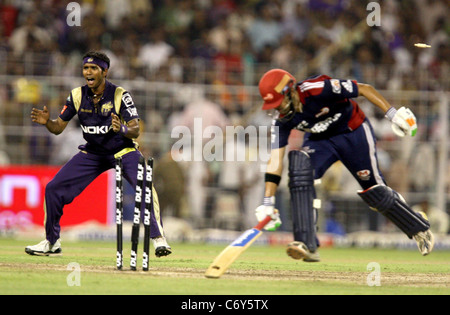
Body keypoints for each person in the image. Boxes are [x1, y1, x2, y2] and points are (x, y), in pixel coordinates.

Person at [255, 69, 435, 262]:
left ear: (290, 91)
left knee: (376, 193)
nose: (278, 109)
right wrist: (267, 201)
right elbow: (275, 160)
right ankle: (306, 242)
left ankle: (418, 227)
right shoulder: (282, 121)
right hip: (320, 141)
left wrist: (392, 113)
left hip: (353, 132)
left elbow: (364, 89)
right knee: (300, 165)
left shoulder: (317, 89)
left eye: (278, 102)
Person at [25, 51, 171, 257]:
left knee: (144, 183)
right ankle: (52, 241)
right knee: (53, 188)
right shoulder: (77, 95)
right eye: (86, 68)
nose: (88, 72)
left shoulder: (120, 95)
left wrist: (121, 129)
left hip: (123, 150)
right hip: (93, 153)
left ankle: (158, 239)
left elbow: (135, 129)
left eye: (93, 68)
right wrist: (48, 122)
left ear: (104, 71)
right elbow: (58, 128)